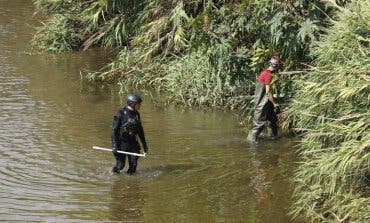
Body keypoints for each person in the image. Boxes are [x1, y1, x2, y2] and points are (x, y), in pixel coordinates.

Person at [111, 93, 149, 174]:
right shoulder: (120, 113)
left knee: (133, 167)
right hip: (122, 144)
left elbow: (140, 131)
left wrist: (144, 145)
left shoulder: (136, 114)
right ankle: (114, 175)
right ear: (132, 104)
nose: (140, 105)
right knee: (120, 166)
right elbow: (114, 130)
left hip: (133, 143)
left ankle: (130, 185)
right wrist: (114, 145)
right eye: (139, 104)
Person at [247, 56, 282, 142]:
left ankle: (273, 138)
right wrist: (274, 104)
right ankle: (251, 142)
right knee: (258, 124)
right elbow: (267, 91)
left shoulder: (264, 73)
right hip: (262, 103)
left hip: (266, 102)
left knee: (273, 120)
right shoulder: (268, 75)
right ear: (276, 66)